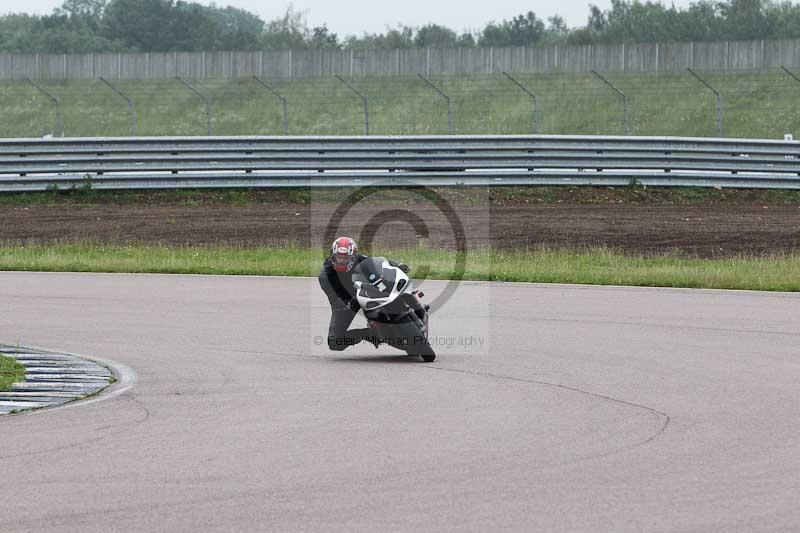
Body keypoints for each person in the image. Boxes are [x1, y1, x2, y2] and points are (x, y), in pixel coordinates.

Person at [319, 236, 408, 351]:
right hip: (345, 304)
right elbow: (335, 299)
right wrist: (349, 303)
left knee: (391, 288)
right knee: (334, 342)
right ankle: (368, 334)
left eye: (345, 258)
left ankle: (410, 303)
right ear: (332, 256)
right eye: (338, 258)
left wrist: (396, 265)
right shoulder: (325, 275)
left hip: (368, 293)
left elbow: (377, 263)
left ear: (353, 257)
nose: (341, 261)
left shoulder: (359, 259)